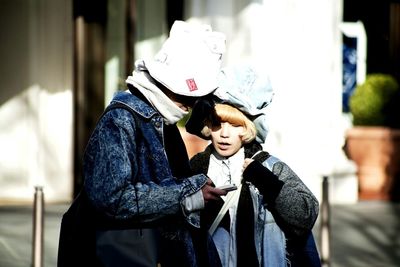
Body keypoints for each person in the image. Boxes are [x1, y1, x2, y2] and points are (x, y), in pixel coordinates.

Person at [57, 20, 228, 267]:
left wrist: (196, 190)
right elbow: (110, 198)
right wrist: (187, 195)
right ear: (166, 83)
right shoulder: (121, 119)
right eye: (188, 94)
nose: (191, 104)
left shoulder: (163, 121)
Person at [186, 65, 321, 267]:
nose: (224, 134)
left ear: (249, 128)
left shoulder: (268, 166)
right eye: (217, 124)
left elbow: (305, 215)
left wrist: (269, 183)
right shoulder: (195, 167)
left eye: (235, 125)